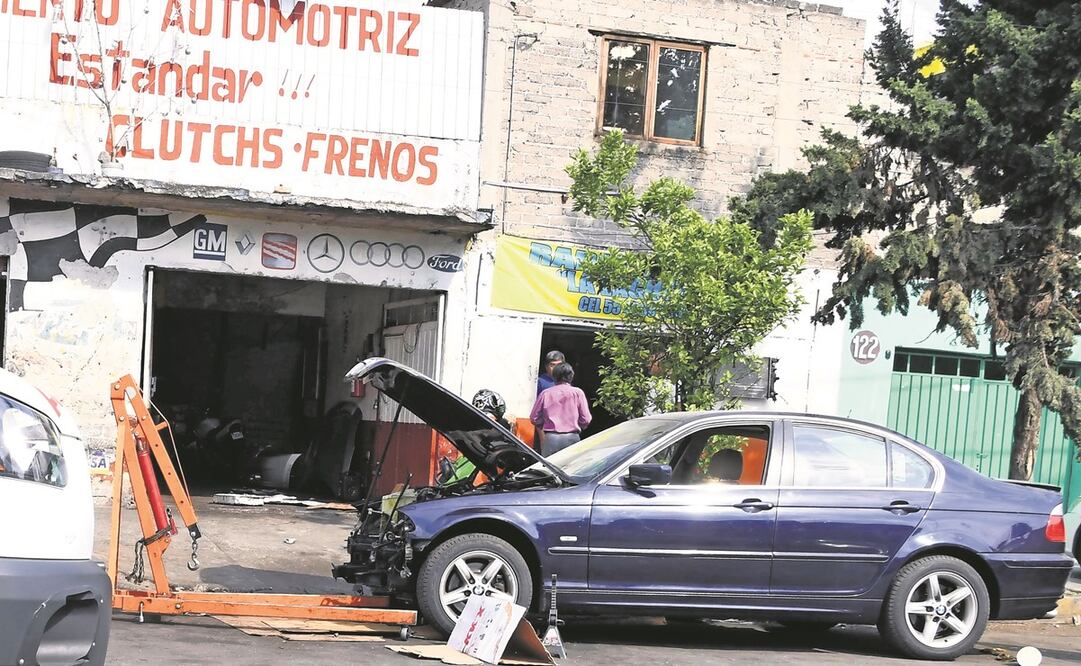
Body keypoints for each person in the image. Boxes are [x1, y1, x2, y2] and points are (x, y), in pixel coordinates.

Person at [529, 362, 592, 456]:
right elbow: (586, 419)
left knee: (549, 469)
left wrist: (544, 423)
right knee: (572, 469)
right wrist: (581, 425)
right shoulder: (578, 393)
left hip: (551, 439)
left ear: (554, 376)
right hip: (572, 438)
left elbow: (534, 417)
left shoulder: (545, 393)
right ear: (571, 376)